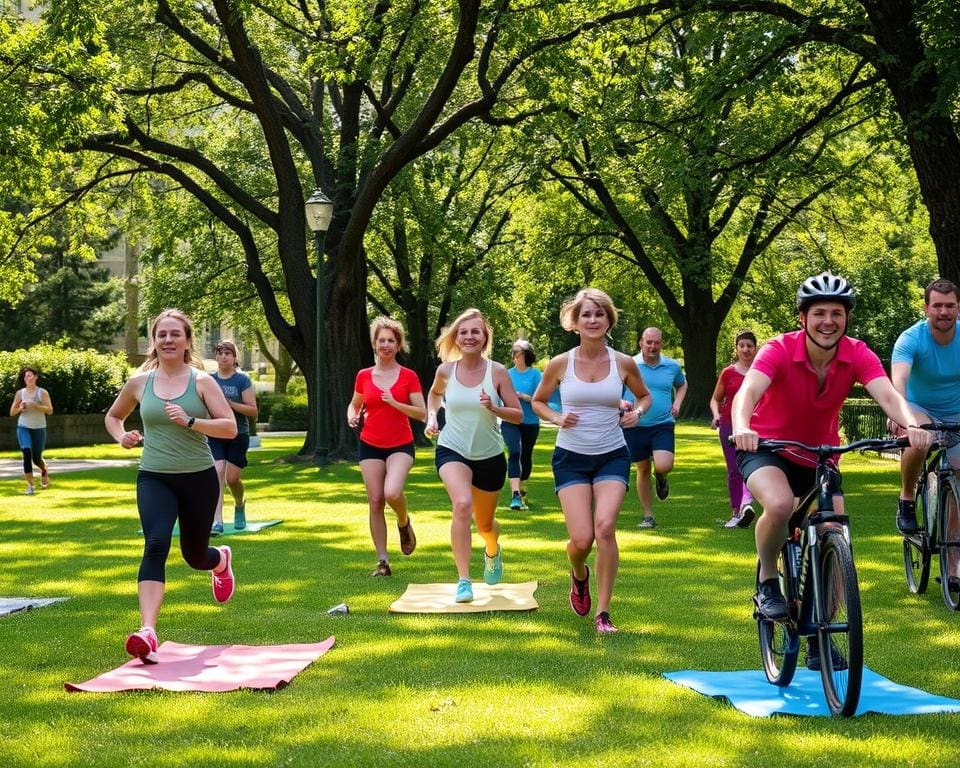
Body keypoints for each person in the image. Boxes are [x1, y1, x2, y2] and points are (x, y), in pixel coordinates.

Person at [731, 273, 930, 669]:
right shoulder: (778, 349)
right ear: (803, 318)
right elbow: (747, 392)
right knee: (781, 503)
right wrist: (741, 426)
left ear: (846, 318)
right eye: (818, 312)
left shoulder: (856, 353)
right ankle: (769, 579)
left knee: (834, 532)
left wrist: (913, 426)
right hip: (767, 449)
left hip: (821, 456)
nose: (827, 321)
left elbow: (889, 395)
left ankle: (821, 635)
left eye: (836, 313)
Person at [105, 309, 239, 664]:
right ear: (154, 341)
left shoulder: (202, 382)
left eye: (174, 334)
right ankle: (148, 631)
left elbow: (230, 428)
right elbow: (113, 416)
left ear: (187, 341)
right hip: (154, 476)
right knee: (156, 542)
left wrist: (192, 420)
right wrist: (123, 436)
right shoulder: (139, 382)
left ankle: (219, 561)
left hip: (198, 478)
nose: (168, 340)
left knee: (195, 556)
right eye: (161, 334)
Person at [532, 288, 652, 634]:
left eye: (600, 314)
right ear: (575, 322)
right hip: (570, 457)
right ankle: (579, 574)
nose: (593, 320)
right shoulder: (561, 363)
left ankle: (603, 613)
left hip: (612, 455)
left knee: (605, 529)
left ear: (608, 320)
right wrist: (556, 419)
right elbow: (539, 402)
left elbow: (644, 397)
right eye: (586, 314)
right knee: (582, 540)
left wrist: (637, 414)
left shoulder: (623, 363)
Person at [425, 308, 523, 604]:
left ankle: (491, 549)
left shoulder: (498, 372)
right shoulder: (446, 371)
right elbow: (434, 395)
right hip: (452, 448)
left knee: (485, 525)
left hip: (490, 455)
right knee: (462, 504)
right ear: (456, 337)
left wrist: (494, 408)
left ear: (484, 338)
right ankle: (464, 580)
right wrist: (432, 417)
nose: (469, 337)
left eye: (475, 332)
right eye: (463, 332)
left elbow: (517, 415)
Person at [890, 279, 960, 588]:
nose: (944, 311)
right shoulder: (911, 339)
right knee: (919, 438)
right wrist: (901, 417)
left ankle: (954, 563)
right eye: (937, 306)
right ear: (926, 308)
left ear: (958, 308)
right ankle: (907, 496)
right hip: (920, 408)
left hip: (956, 411)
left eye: (950, 305)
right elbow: (899, 382)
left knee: (959, 478)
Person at [347, 317, 426, 577]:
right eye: (381, 340)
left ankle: (404, 522)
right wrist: (352, 414)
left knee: (392, 493)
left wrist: (394, 402)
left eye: (391, 340)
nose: (386, 345)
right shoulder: (364, 375)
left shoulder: (408, 377)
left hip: (400, 445)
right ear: (374, 343)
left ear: (398, 344)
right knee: (375, 500)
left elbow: (421, 413)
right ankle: (382, 561)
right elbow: (355, 403)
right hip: (370, 444)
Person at [622, 327, 688, 529]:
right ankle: (648, 516)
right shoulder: (629, 365)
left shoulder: (672, 366)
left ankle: (661, 476)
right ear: (641, 343)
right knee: (642, 468)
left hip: (662, 423)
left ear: (662, 344)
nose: (652, 346)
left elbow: (682, 385)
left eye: (656, 342)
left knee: (663, 464)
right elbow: (613, 388)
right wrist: (621, 404)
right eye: (648, 342)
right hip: (635, 424)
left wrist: (677, 403)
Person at [709, 330, 758, 528]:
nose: (746, 349)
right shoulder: (728, 372)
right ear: (736, 348)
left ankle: (748, 504)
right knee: (734, 469)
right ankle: (737, 512)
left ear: (756, 348)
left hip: (756, 424)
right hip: (729, 423)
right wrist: (715, 415)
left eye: (749, 346)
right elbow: (715, 399)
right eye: (742, 346)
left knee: (755, 465)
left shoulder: (762, 371)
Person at [209, 340, 259, 535]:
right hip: (215, 432)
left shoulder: (242, 380)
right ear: (216, 356)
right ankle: (217, 521)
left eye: (228, 353)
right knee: (217, 471)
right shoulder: (209, 380)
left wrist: (229, 404)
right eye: (220, 353)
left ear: (234, 357)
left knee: (232, 478)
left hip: (238, 433)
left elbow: (253, 411)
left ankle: (239, 504)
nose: (223, 357)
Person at [503, 339, 542, 510]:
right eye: (513, 351)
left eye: (517, 352)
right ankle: (515, 495)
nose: (514, 355)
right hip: (510, 420)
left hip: (530, 421)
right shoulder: (506, 374)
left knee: (526, 455)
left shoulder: (536, 375)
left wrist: (524, 397)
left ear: (526, 354)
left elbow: (542, 400)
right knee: (514, 452)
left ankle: (523, 488)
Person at [9, 366, 53, 495]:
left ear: (35, 377)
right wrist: (20, 408)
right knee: (27, 453)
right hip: (23, 427)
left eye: (29, 375)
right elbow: (12, 412)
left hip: (39, 428)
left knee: (36, 458)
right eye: (25, 376)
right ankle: (30, 486)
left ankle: (44, 470)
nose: (26, 378)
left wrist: (36, 406)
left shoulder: (42, 393)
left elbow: (50, 410)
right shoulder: (20, 393)